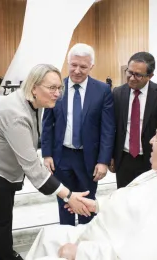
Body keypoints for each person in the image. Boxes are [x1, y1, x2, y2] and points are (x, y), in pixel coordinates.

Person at [26, 118, 157, 260]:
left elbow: (143, 254)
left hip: (105, 249)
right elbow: (134, 200)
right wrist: (97, 205)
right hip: (107, 234)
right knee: (48, 235)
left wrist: (81, 252)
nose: (150, 141)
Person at [0, 64, 93, 260]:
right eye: (52, 88)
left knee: (5, 215)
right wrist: (68, 195)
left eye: (59, 88)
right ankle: (6, 256)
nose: (57, 94)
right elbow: (32, 166)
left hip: (7, 166)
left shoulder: (32, 101)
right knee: (2, 218)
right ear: (34, 87)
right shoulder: (15, 114)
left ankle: (7, 253)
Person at [41, 43, 115, 226]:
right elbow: (47, 123)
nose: (77, 70)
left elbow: (107, 128)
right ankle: (65, 241)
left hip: (88, 159)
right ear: (67, 63)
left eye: (83, 66)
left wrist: (103, 161)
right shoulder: (56, 88)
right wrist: (47, 154)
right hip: (61, 156)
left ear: (91, 66)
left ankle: (85, 244)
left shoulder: (103, 91)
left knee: (86, 205)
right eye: (73, 65)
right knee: (64, 203)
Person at [110, 51, 157, 188]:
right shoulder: (118, 93)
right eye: (129, 72)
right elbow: (112, 127)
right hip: (124, 158)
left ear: (150, 76)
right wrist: (111, 156)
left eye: (138, 75)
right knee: (124, 201)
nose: (132, 78)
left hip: (151, 159)